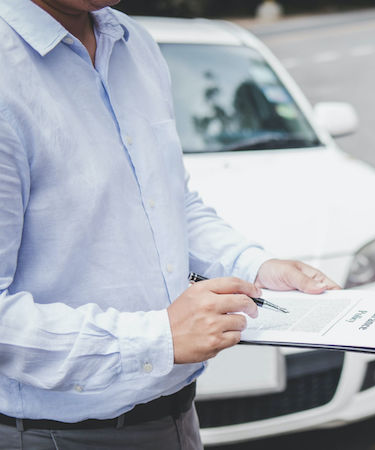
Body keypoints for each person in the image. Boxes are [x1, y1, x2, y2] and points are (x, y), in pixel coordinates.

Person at [0, 0, 339, 448]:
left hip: (178, 414)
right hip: (59, 436)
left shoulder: (133, 43)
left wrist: (252, 265)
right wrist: (156, 340)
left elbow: (168, 203)